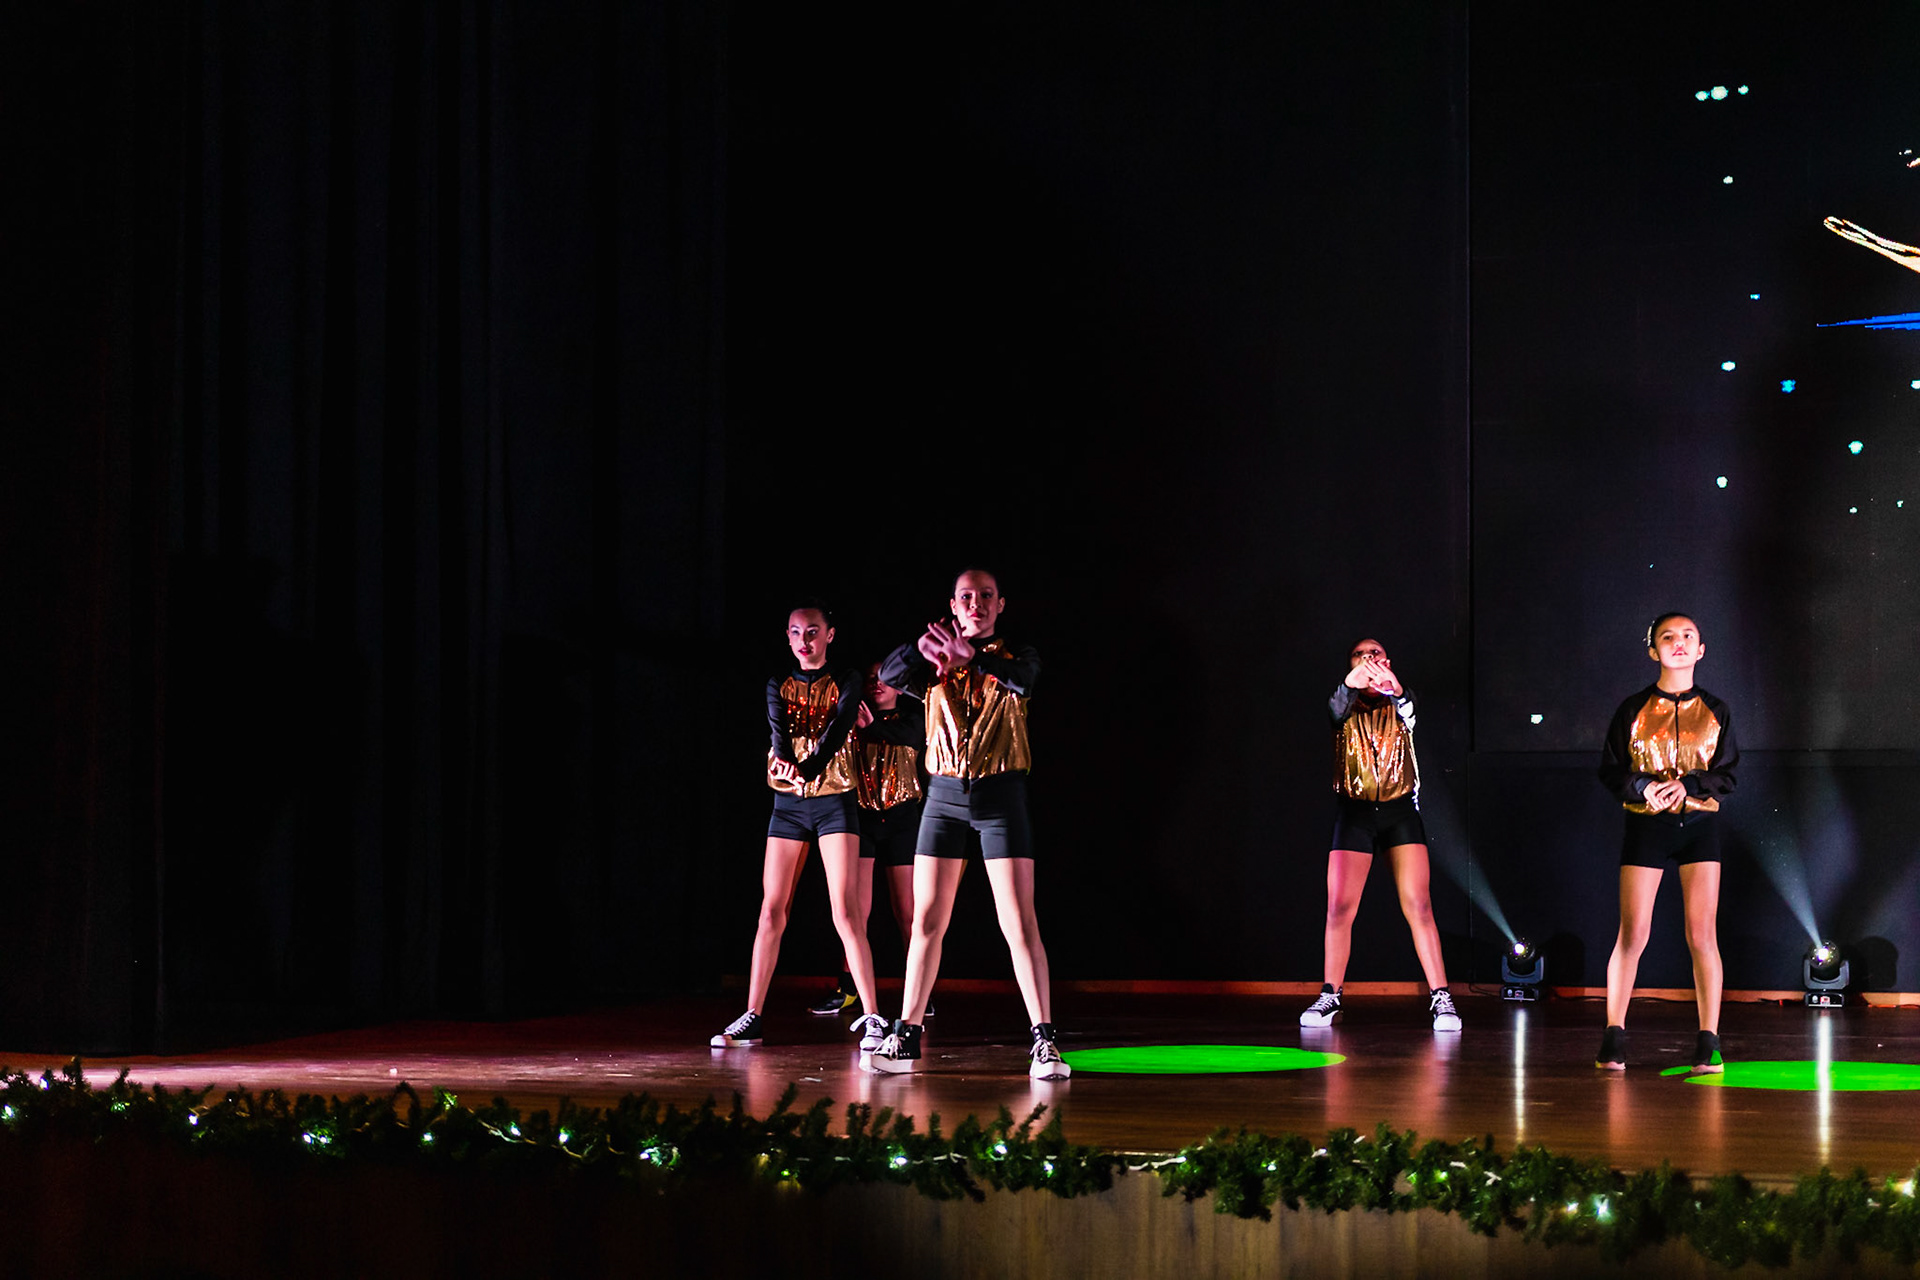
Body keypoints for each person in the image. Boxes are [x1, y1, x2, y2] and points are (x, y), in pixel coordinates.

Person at [861, 569, 1068, 1079]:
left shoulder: (1017, 655)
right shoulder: (933, 666)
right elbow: (891, 675)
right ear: (953, 606)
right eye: (967, 597)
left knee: (1018, 922)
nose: (977, 604)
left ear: (1001, 604)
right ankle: (906, 1035)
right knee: (927, 922)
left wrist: (972, 658)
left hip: (1001, 798)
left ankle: (1044, 1041)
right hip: (945, 798)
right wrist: (922, 648)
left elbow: (1025, 680)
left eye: (986, 596)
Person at [710, 603, 887, 1052]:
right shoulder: (779, 683)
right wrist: (788, 764)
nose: (803, 640)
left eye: (812, 632)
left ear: (829, 635)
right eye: (795, 632)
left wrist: (807, 768)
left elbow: (839, 727)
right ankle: (752, 1016)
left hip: (833, 801)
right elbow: (778, 731)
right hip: (788, 805)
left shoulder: (846, 679)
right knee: (771, 910)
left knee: (846, 912)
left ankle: (872, 1016)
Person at [1595, 613, 1739, 1073]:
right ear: (1653, 650)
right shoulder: (1632, 708)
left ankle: (1709, 1041)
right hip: (1647, 826)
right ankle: (1614, 1035)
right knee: (1633, 933)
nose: (1679, 643)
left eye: (1688, 636)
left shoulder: (1716, 710)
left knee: (1702, 934)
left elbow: (1728, 773)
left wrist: (1689, 785)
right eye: (1668, 637)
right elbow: (1611, 769)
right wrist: (1644, 787)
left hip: (1699, 826)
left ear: (1701, 649)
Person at [1298, 639, 1462, 1032]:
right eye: (1361, 656)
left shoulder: (1401, 705)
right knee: (1339, 907)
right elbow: (1335, 706)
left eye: (1376, 654)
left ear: (1387, 661)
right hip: (1355, 813)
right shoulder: (1343, 706)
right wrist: (1352, 681)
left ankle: (1442, 997)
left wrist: (1395, 687)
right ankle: (1330, 994)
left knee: (1418, 905)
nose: (1369, 660)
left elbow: (1409, 706)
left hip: (1399, 812)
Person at [807, 663, 930, 1017]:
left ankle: (920, 991)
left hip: (903, 820)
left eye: (886, 678)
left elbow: (909, 737)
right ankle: (849, 988)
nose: (878, 684)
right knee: (854, 912)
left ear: (899, 685)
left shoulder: (913, 719)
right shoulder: (850, 719)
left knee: (908, 912)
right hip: (861, 820)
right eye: (871, 678)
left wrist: (872, 726)